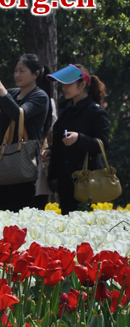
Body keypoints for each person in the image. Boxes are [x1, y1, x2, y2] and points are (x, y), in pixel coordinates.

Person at [0, 54, 52, 212]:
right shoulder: (12, 93)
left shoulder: (40, 96)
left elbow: (19, 114)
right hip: (3, 161)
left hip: (26, 163)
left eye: (22, 71)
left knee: (20, 212)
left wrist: (1, 88)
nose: (17, 75)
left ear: (36, 74)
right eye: (15, 71)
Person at [46, 64, 110, 214]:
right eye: (62, 83)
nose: (64, 87)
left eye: (68, 83)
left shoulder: (95, 112)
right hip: (65, 181)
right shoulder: (67, 111)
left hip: (87, 182)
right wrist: (51, 151)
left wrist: (79, 138)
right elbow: (60, 142)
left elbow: (103, 144)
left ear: (82, 85)